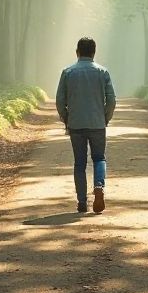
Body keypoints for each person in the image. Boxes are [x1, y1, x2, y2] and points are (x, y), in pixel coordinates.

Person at [55, 37, 116, 214]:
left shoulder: (67, 72)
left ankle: (82, 202)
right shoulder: (102, 72)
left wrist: (66, 118)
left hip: (76, 124)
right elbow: (111, 100)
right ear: (94, 52)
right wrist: (105, 118)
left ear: (77, 52)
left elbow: (60, 101)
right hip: (97, 123)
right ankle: (99, 186)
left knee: (79, 163)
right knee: (99, 158)